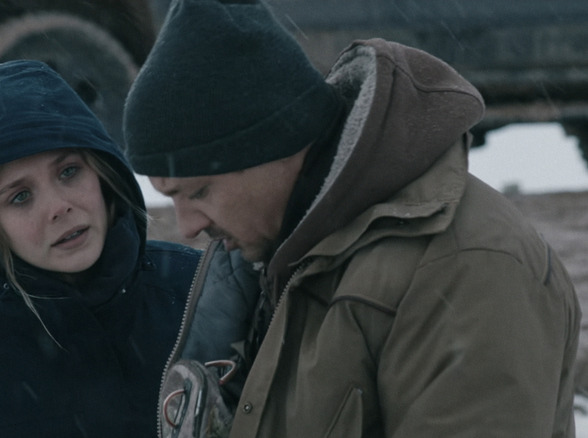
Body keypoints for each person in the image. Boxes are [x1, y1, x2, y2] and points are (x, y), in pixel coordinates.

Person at [122, 0, 583, 437]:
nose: (186, 227)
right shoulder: (268, 257)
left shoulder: (468, 270)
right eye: (169, 197)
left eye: (199, 191)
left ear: (273, 147)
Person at [0, 59, 202, 437]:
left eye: (69, 171)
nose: (58, 207)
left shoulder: (199, 292)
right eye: (19, 197)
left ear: (103, 172)